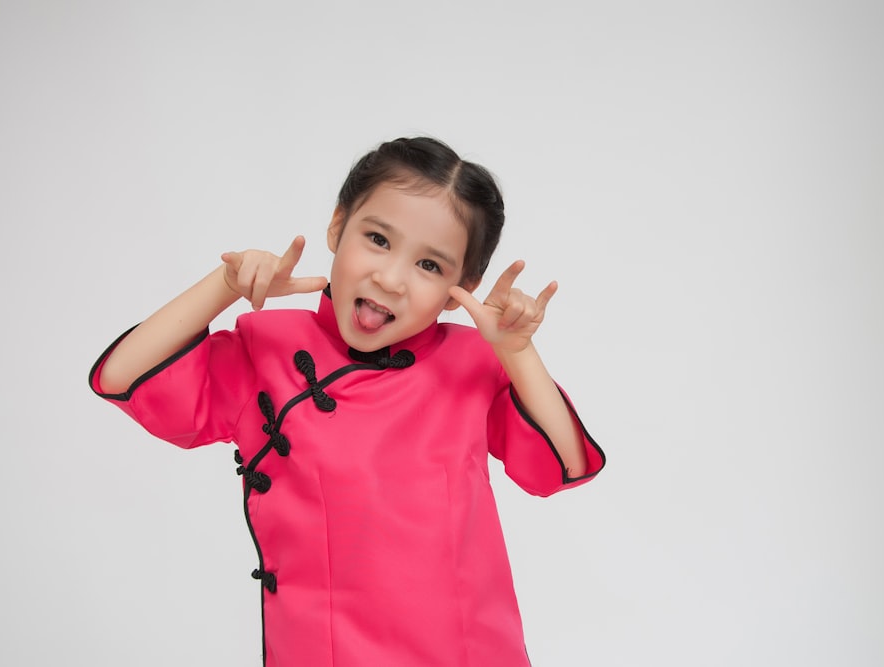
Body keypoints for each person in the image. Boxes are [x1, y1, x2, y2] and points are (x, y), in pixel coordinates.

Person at [89, 136, 605, 666]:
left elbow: (562, 466)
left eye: (430, 266)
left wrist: (517, 352)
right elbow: (122, 376)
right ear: (337, 226)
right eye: (378, 239)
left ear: (463, 286)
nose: (390, 278)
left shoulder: (472, 363)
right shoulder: (265, 352)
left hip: (469, 651)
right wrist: (225, 284)